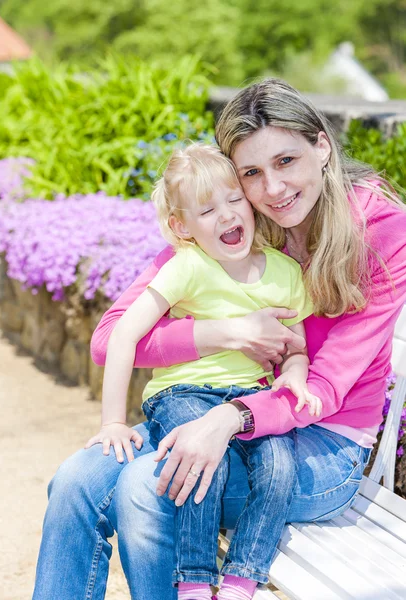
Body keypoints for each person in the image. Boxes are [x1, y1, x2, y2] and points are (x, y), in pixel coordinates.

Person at [32, 78, 406, 600]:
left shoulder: (380, 227)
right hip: (220, 411)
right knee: (76, 482)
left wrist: (229, 419)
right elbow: (110, 338)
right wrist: (221, 333)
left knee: (147, 487)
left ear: (322, 145)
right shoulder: (233, 220)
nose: (272, 189)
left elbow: (322, 385)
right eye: (251, 173)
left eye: (286, 161)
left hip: (318, 446)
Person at [83, 142, 320, 600]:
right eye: (207, 210)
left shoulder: (285, 273)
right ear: (182, 226)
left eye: (235, 200)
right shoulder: (187, 266)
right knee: (198, 458)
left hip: (250, 399)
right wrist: (112, 420)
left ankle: (241, 578)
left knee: (279, 465)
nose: (228, 215)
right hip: (183, 393)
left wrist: (294, 372)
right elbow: (121, 337)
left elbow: (296, 346)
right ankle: (194, 580)